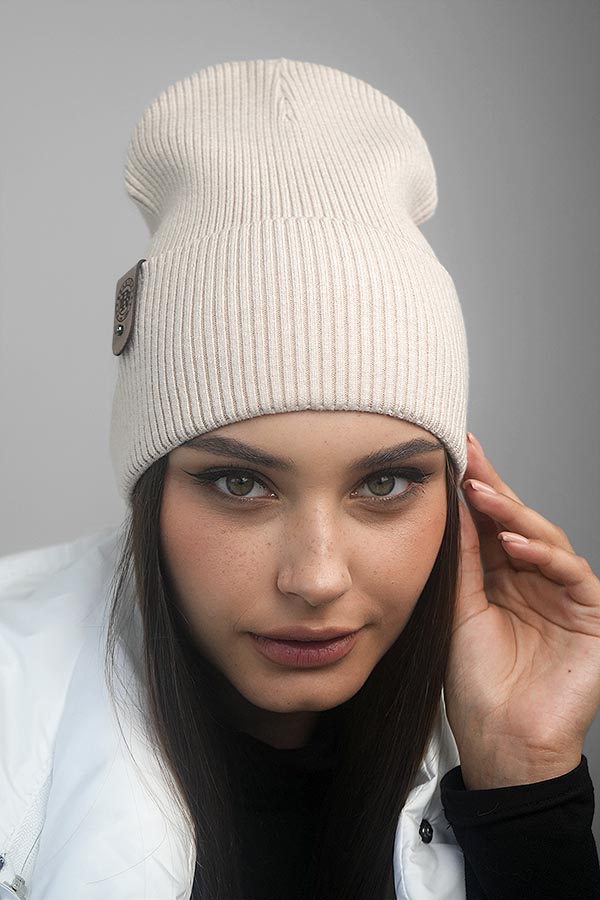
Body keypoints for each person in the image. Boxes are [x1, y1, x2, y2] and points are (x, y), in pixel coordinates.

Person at [0, 57, 599, 900]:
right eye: (240, 485)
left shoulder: (500, 719)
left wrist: (524, 780)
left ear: (459, 496)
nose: (316, 579)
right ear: (152, 493)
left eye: (384, 485)